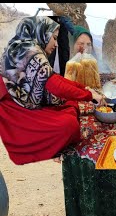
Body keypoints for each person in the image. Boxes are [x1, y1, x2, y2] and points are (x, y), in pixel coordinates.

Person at [61, 25, 116, 216]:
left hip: (106, 130)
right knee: (87, 177)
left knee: (115, 172)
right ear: (73, 44)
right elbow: (64, 102)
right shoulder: (66, 74)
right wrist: (86, 102)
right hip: (81, 136)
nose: (84, 48)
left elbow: (114, 94)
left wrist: (112, 96)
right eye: (80, 44)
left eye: (88, 44)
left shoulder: (101, 71)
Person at [0, 16, 105, 165]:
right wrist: (88, 95)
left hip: (20, 102)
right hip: (15, 110)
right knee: (68, 125)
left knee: (71, 104)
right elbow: (55, 85)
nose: (56, 44)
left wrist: (83, 89)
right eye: (54, 38)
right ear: (43, 34)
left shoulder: (24, 46)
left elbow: (53, 77)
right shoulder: (29, 50)